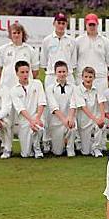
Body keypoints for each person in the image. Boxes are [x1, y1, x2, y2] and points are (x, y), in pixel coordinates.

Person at [41, 12, 77, 153]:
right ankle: (46, 141)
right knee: (50, 111)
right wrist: (54, 73)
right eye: (59, 22)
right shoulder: (47, 40)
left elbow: (73, 64)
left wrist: (65, 73)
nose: (61, 25)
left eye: (63, 23)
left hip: (68, 75)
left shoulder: (71, 41)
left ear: (65, 25)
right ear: (54, 23)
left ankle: (72, 142)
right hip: (51, 75)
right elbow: (44, 62)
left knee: (70, 108)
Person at [10, 60, 47, 158]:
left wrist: (37, 118)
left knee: (38, 127)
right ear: (17, 73)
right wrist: (31, 121)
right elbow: (20, 109)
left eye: (27, 72)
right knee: (26, 154)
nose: (25, 74)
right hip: (25, 121)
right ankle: (31, 147)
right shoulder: (14, 90)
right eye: (22, 72)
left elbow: (41, 102)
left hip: (38, 117)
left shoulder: (37, 83)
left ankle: (37, 147)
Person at [75, 13, 109, 101]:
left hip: (100, 79)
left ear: (97, 25)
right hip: (82, 78)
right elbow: (74, 61)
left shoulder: (105, 41)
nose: (92, 27)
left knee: (100, 105)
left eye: (94, 24)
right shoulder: (78, 41)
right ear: (86, 25)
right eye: (90, 25)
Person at [71, 67, 106, 157]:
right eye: (86, 77)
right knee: (85, 152)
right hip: (84, 122)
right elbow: (83, 107)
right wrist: (95, 119)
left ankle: (96, 148)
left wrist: (102, 118)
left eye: (90, 77)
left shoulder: (98, 88)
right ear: (82, 77)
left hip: (96, 119)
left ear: (94, 78)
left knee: (101, 126)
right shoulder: (77, 89)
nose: (88, 79)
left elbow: (101, 102)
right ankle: (86, 145)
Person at [46, 61, 77, 157]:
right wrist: (63, 119)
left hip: (69, 119)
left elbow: (73, 103)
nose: (62, 74)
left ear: (67, 72)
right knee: (57, 152)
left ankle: (70, 148)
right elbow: (53, 106)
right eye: (59, 72)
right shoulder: (50, 88)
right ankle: (56, 145)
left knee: (72, 127)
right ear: (55, 73)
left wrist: (70, 118)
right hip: (56, 122)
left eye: (64, 71)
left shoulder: (73, 87)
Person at [0, 23, 39, 90]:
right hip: (7, 86)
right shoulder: (3, 49)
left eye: (18, 33)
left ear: (22, 34)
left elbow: (35, 71)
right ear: (10, 35)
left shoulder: (30, 50)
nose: (16, 35)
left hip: (25, 87)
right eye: (14, 33)